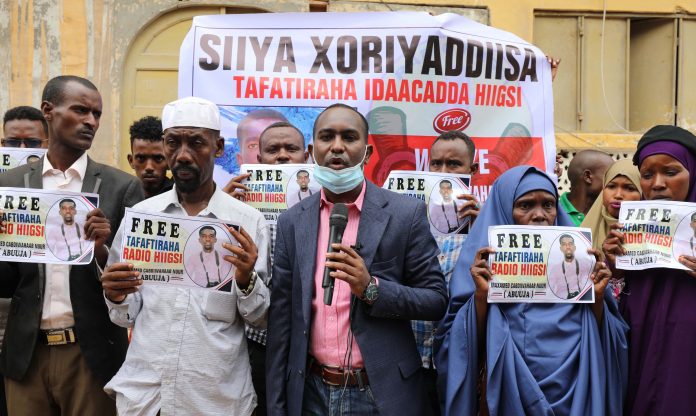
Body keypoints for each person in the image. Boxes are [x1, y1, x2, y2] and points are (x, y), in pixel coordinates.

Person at [266, 103, 448, 415]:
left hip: (381, 394)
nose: (337, 147)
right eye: (327, 137)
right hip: (312, 391)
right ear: (313, 150)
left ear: (367, 151)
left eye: (349, 137)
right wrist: (277, 405)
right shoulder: (292, 221)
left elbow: (435, 300)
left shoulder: (406, 214)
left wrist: (371, 288)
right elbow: (282, 322)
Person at [100, 96, 270, 415]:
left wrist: (246, 281)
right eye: (173, 143)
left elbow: (260, 318)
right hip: (146, 398)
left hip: (215, 400)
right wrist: (116, 294)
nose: (183, 155)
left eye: (196, 143)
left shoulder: (247, 222)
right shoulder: (141, 216)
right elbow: (125, 315)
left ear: (218, 148)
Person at [0, 75, 144, 415]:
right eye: (80, 110)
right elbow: (6, 282)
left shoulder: (121, 187)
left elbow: (136, 283)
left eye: (96, 114)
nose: (90, 121)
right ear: (48, 111)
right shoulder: (9, 185)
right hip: (26, 355)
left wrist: (102, 252)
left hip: (91, 355)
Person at [435, 166, 628, 416]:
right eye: (525, 205)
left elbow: (611, 340)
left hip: (575, 396)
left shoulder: (582, 266)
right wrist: (481, 298)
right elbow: (455, 344)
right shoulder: (478, 266)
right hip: (505, 394)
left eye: (548, 205)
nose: (539, 215)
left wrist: (598, 297)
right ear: (504, 210)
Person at [603, 125, 696, 415]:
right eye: (647, 175)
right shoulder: (626, 232)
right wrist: (614, 267)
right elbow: (611, 304)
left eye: (670, 172)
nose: (657, 184)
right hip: (640, 348)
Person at [413, 129, 481, 415]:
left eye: (453, 165)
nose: (442, 172)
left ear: (472, 170)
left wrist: (482, 230)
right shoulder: (410, 218)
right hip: (410, 360)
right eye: (436, 164)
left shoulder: (487, 224)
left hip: (459, 365)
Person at [580, 159, 641, 298]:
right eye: (611, 186)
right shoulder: (586, 230)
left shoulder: (655, 236)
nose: (618, 194)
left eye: (629, 188)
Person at [224, 120, 306, 199]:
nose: (282, 155)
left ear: (305, 158)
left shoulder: (317, 196)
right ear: (260, 160)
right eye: (272, 150)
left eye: (291, 149)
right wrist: (219, 207)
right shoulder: (239, 199)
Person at [560, 150, 614, 225]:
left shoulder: (611, 214)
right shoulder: (554, 211)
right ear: (587, 176)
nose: (614, 181)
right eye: (609, 175)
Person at [126, 116, 173, 198]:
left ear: (169, 161)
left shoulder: (181, 196)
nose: (149, 167)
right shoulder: (122, 196)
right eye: (141, 158)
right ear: (131, 161)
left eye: (158, 158)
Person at [546, 234, 593, 299]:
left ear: (574, 247)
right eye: (564, 244)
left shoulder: (585, 265)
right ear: (561, 248)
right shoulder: (555, 270)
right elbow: (549, 291)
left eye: (570, 244)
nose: (568, 247)